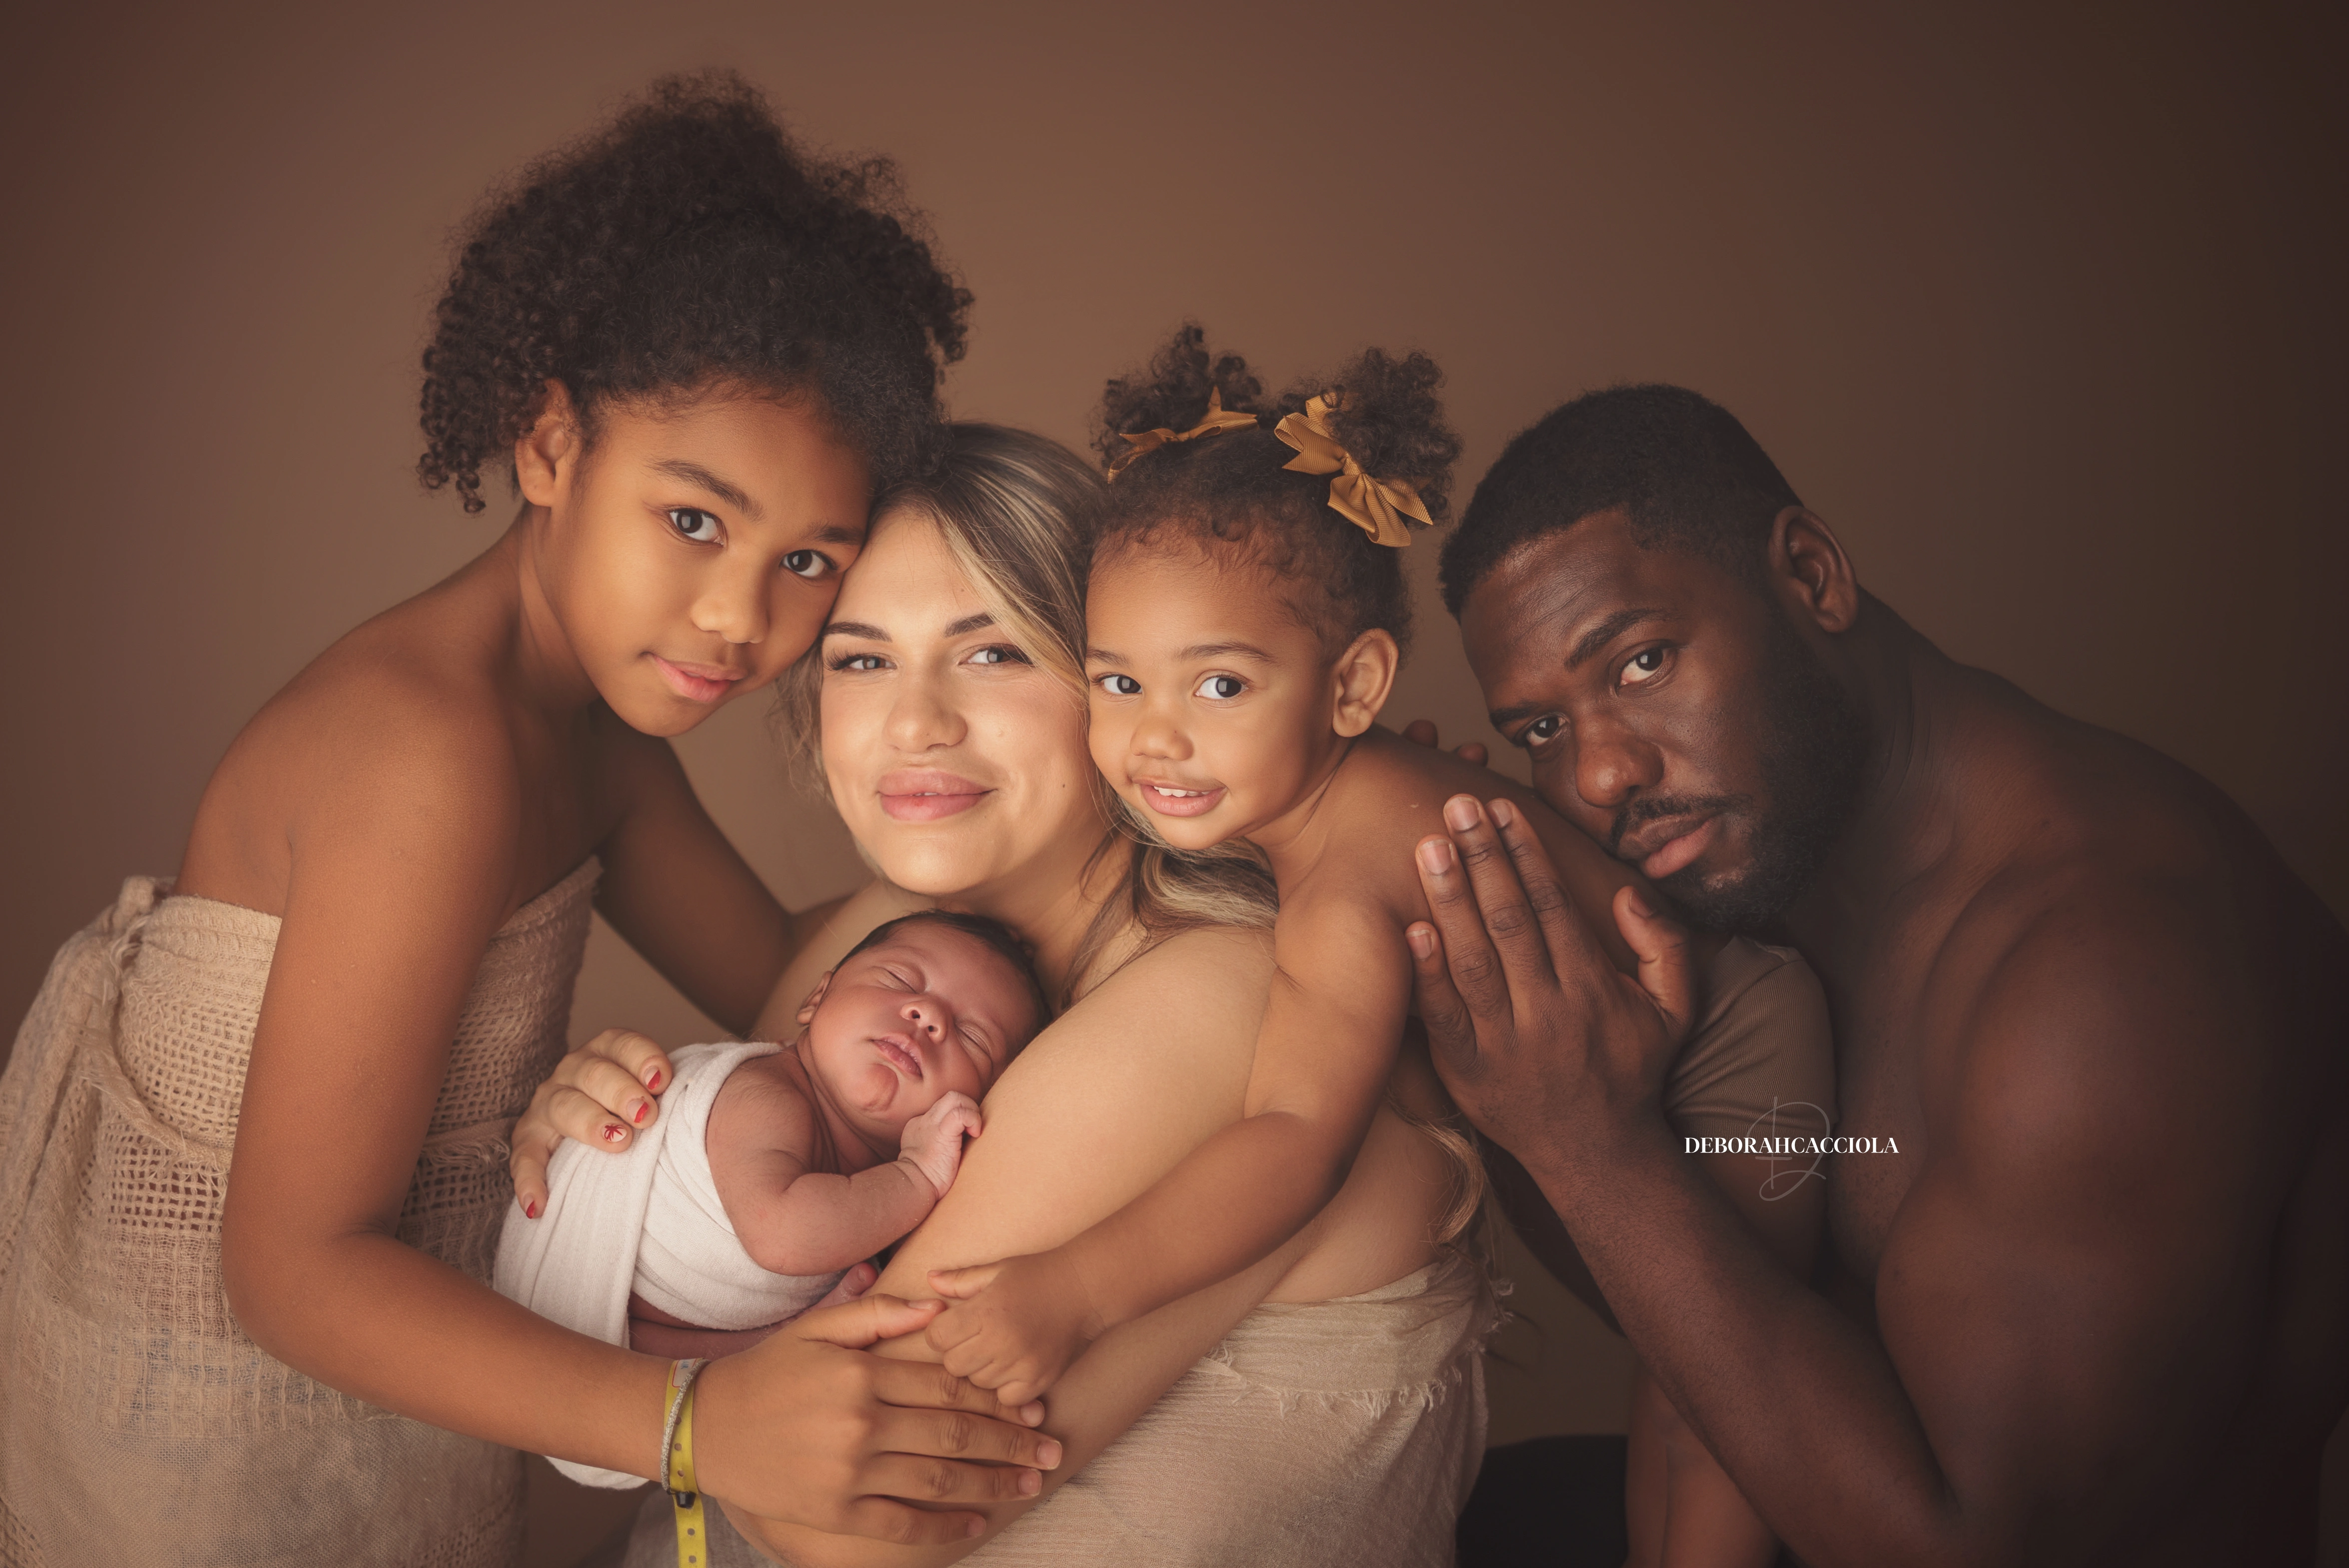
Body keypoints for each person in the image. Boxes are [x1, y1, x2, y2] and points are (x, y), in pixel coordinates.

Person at [0, 75, 1059, 1566]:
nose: (738, 615)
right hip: (208, 1435)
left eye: (808, 558)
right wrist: (697, 1421)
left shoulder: (590, 730)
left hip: (404, 1401)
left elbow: (795, 972)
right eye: (693, 519)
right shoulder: (428, 752)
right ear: (550, 443)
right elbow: (289, 1273)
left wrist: (1131, 867)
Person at [521, 406, 1828, 1568]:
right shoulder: (883, 941)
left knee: (1727, 1408)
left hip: (1732, 1076)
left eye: (990, 653)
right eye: (861, 658)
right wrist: (612, 1162)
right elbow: (738, 1317)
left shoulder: (1214, 1000)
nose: (913, 720)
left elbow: (835, 1519)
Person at [916, 328, 1829, 1568]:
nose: (1155, 740)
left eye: (1219, 687)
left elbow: (1292, 1144)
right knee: (1679, 1394)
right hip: (1702, 1028)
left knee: (1718, 1401)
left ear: (1350, 688)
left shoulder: (1339, 891)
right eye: (1117, 684)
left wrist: (1069, 1288)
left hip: (1738, 1047)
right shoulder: (1349, 798)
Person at [1406, 384, 2349, 1564]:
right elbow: (1714, 1294)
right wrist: (1494, 1052)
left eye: (1641, 661)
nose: (1597, 773)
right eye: (1538, 729)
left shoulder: (2107, 972)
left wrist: (1584, 1149)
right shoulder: (1766, 874)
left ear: (1810, 577)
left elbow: (1962, 1545)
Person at [496, 910, 1048, 1491]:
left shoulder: (873, 1199)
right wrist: (916, 1174)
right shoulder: (769, 1093)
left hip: (644, 1358)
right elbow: (783, 1230)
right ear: (815, 1000)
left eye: (972, 1036)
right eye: (899, 981)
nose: (928, 1015)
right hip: (572, 1310)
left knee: (724, 1369)